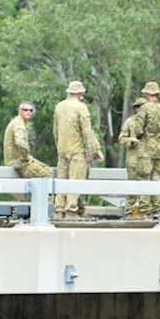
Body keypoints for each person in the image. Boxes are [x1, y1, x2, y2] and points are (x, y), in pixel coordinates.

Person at [52, 80, 103, 219]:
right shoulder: (81, 107)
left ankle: (59, 210)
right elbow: (87, 131)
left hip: (62, 149)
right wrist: (94, 150)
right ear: (80, 93)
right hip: (76, 150)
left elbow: (55, 131)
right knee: (75, 180)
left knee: (61, 179)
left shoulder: (59, 107)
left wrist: (59, 146)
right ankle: (71, 211)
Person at [137, 82, 160, 217]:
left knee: (144, 179)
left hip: (145, 147)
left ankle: (145, 210)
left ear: (146, 94)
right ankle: (157, 209)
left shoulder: (144, 109)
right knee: (157, 178)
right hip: (158, 148)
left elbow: (138, 129)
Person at [118, 98, 150, 218]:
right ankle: (129, 212)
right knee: (132, 185)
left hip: (147, 158)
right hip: (133, 158)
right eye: (138, 107)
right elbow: (121, 138)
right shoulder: (130, 122)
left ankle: (145, 212)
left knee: (147, 186)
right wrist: (130, 141)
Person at [3, 101, 52, 179]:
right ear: (19, 111)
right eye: (25, 110)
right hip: (18, 163)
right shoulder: (18, 124)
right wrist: (26, 157)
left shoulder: (17, 122)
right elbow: (20, 143)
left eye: (31, 110)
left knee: (47, 168)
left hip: (17, 162)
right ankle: (37, 191)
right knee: (46, 174)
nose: (28, 112)